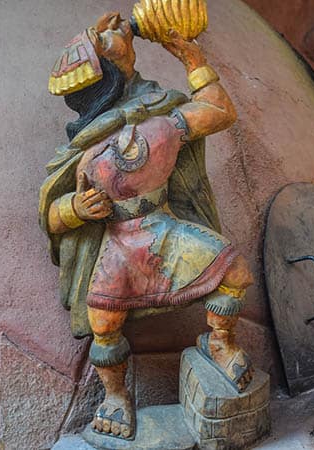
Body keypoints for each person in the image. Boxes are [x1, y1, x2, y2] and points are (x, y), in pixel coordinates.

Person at [39, 12, 254, 439]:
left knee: (236, 273)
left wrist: (194, 61)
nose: (115, 24)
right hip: (117, 247)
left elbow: (218, 112)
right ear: (106, 74)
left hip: (165, 228)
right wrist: (78, 209)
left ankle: (221, 342)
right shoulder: (85, 148)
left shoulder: (159, 116)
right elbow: (50, 211)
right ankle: (115, 397)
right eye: (103, 39)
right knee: (103, 324)